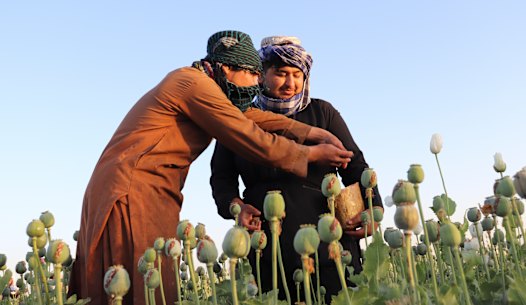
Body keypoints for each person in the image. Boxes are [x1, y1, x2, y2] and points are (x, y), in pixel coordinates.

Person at [69, 30, 354, 305]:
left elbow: (250, 116)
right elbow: (249, 135)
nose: (256, 83)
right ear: (228, 68)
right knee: (141, 286)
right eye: (253, 74)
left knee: (154, 283)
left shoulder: (207, 86)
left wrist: (310, 132)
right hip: (132, 190)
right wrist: (313, 153)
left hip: (151, 190)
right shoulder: (191, 83)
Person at [210, 36, 383, 303]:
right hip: (267, 245)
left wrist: (373, 208)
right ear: (261, 75)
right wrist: (234, 205)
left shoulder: (322, 114)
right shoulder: (239, 118)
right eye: (280, 73)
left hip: (329, 242)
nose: (290, 83)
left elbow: (355, 165)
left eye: (297, 75)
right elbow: (221, 177)